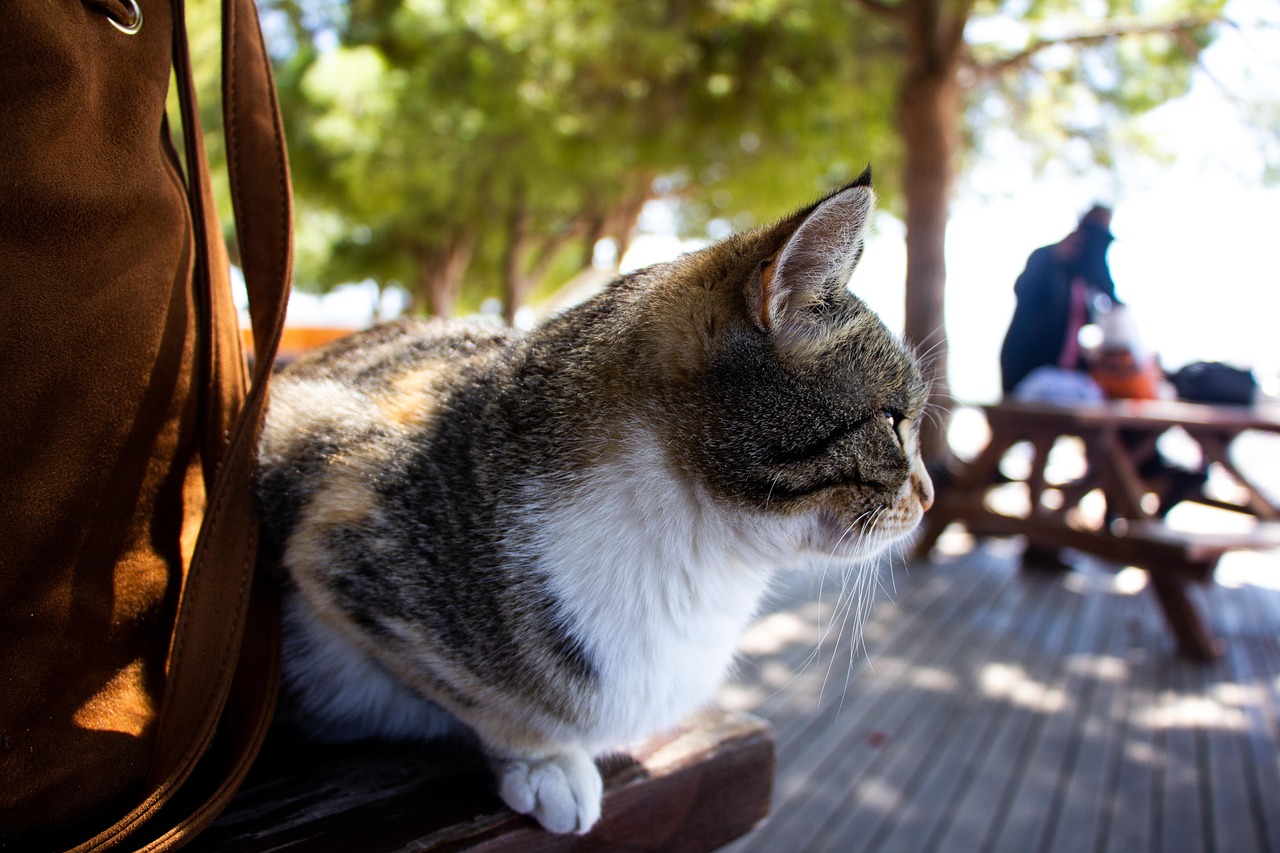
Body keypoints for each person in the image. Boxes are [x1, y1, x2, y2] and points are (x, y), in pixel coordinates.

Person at [1000, 205, 1118, 396]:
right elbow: (1023, 289)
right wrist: (1052, 258)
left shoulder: (1085, 278)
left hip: (1064, 376)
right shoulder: (1047, 260)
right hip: (1030, 375)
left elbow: (1109, 294)